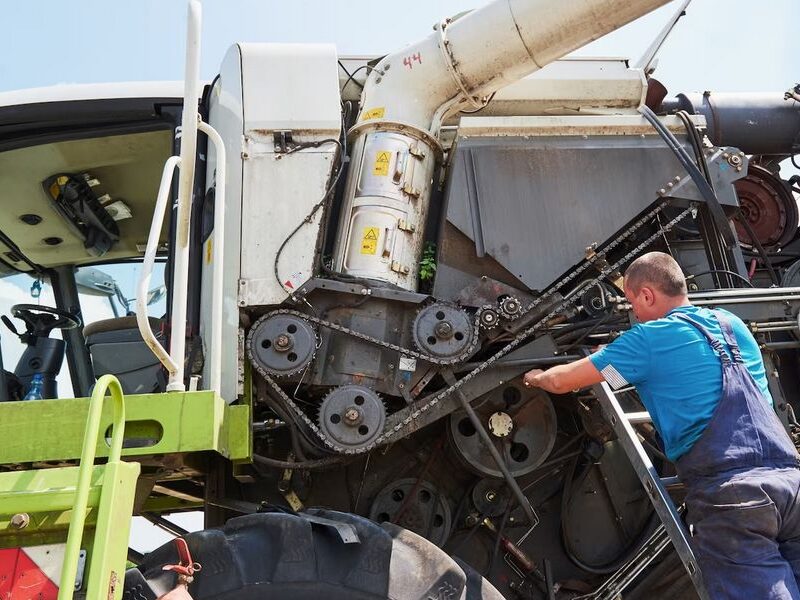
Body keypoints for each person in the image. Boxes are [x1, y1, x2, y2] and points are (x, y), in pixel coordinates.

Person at [523, 251, 800, 599]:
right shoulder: (732, 324)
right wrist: (618, 359)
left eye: (631, 302)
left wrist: (536, 377)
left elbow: (567, 381)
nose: (633, 314)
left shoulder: (648, 340)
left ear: (647, 295)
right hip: (791, 485)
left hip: (735, 498)